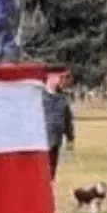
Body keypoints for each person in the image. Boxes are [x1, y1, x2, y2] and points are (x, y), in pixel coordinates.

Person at [41, 68, 75, 199]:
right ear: (51, 77)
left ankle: (48, 202)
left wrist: (70, 138)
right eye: (61, 78)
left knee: (51, 175)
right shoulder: (40, 96)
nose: (63, 81)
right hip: (41, 143)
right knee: (40, 175)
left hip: (55, 142)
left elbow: (67, 120)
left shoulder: (63, 98)